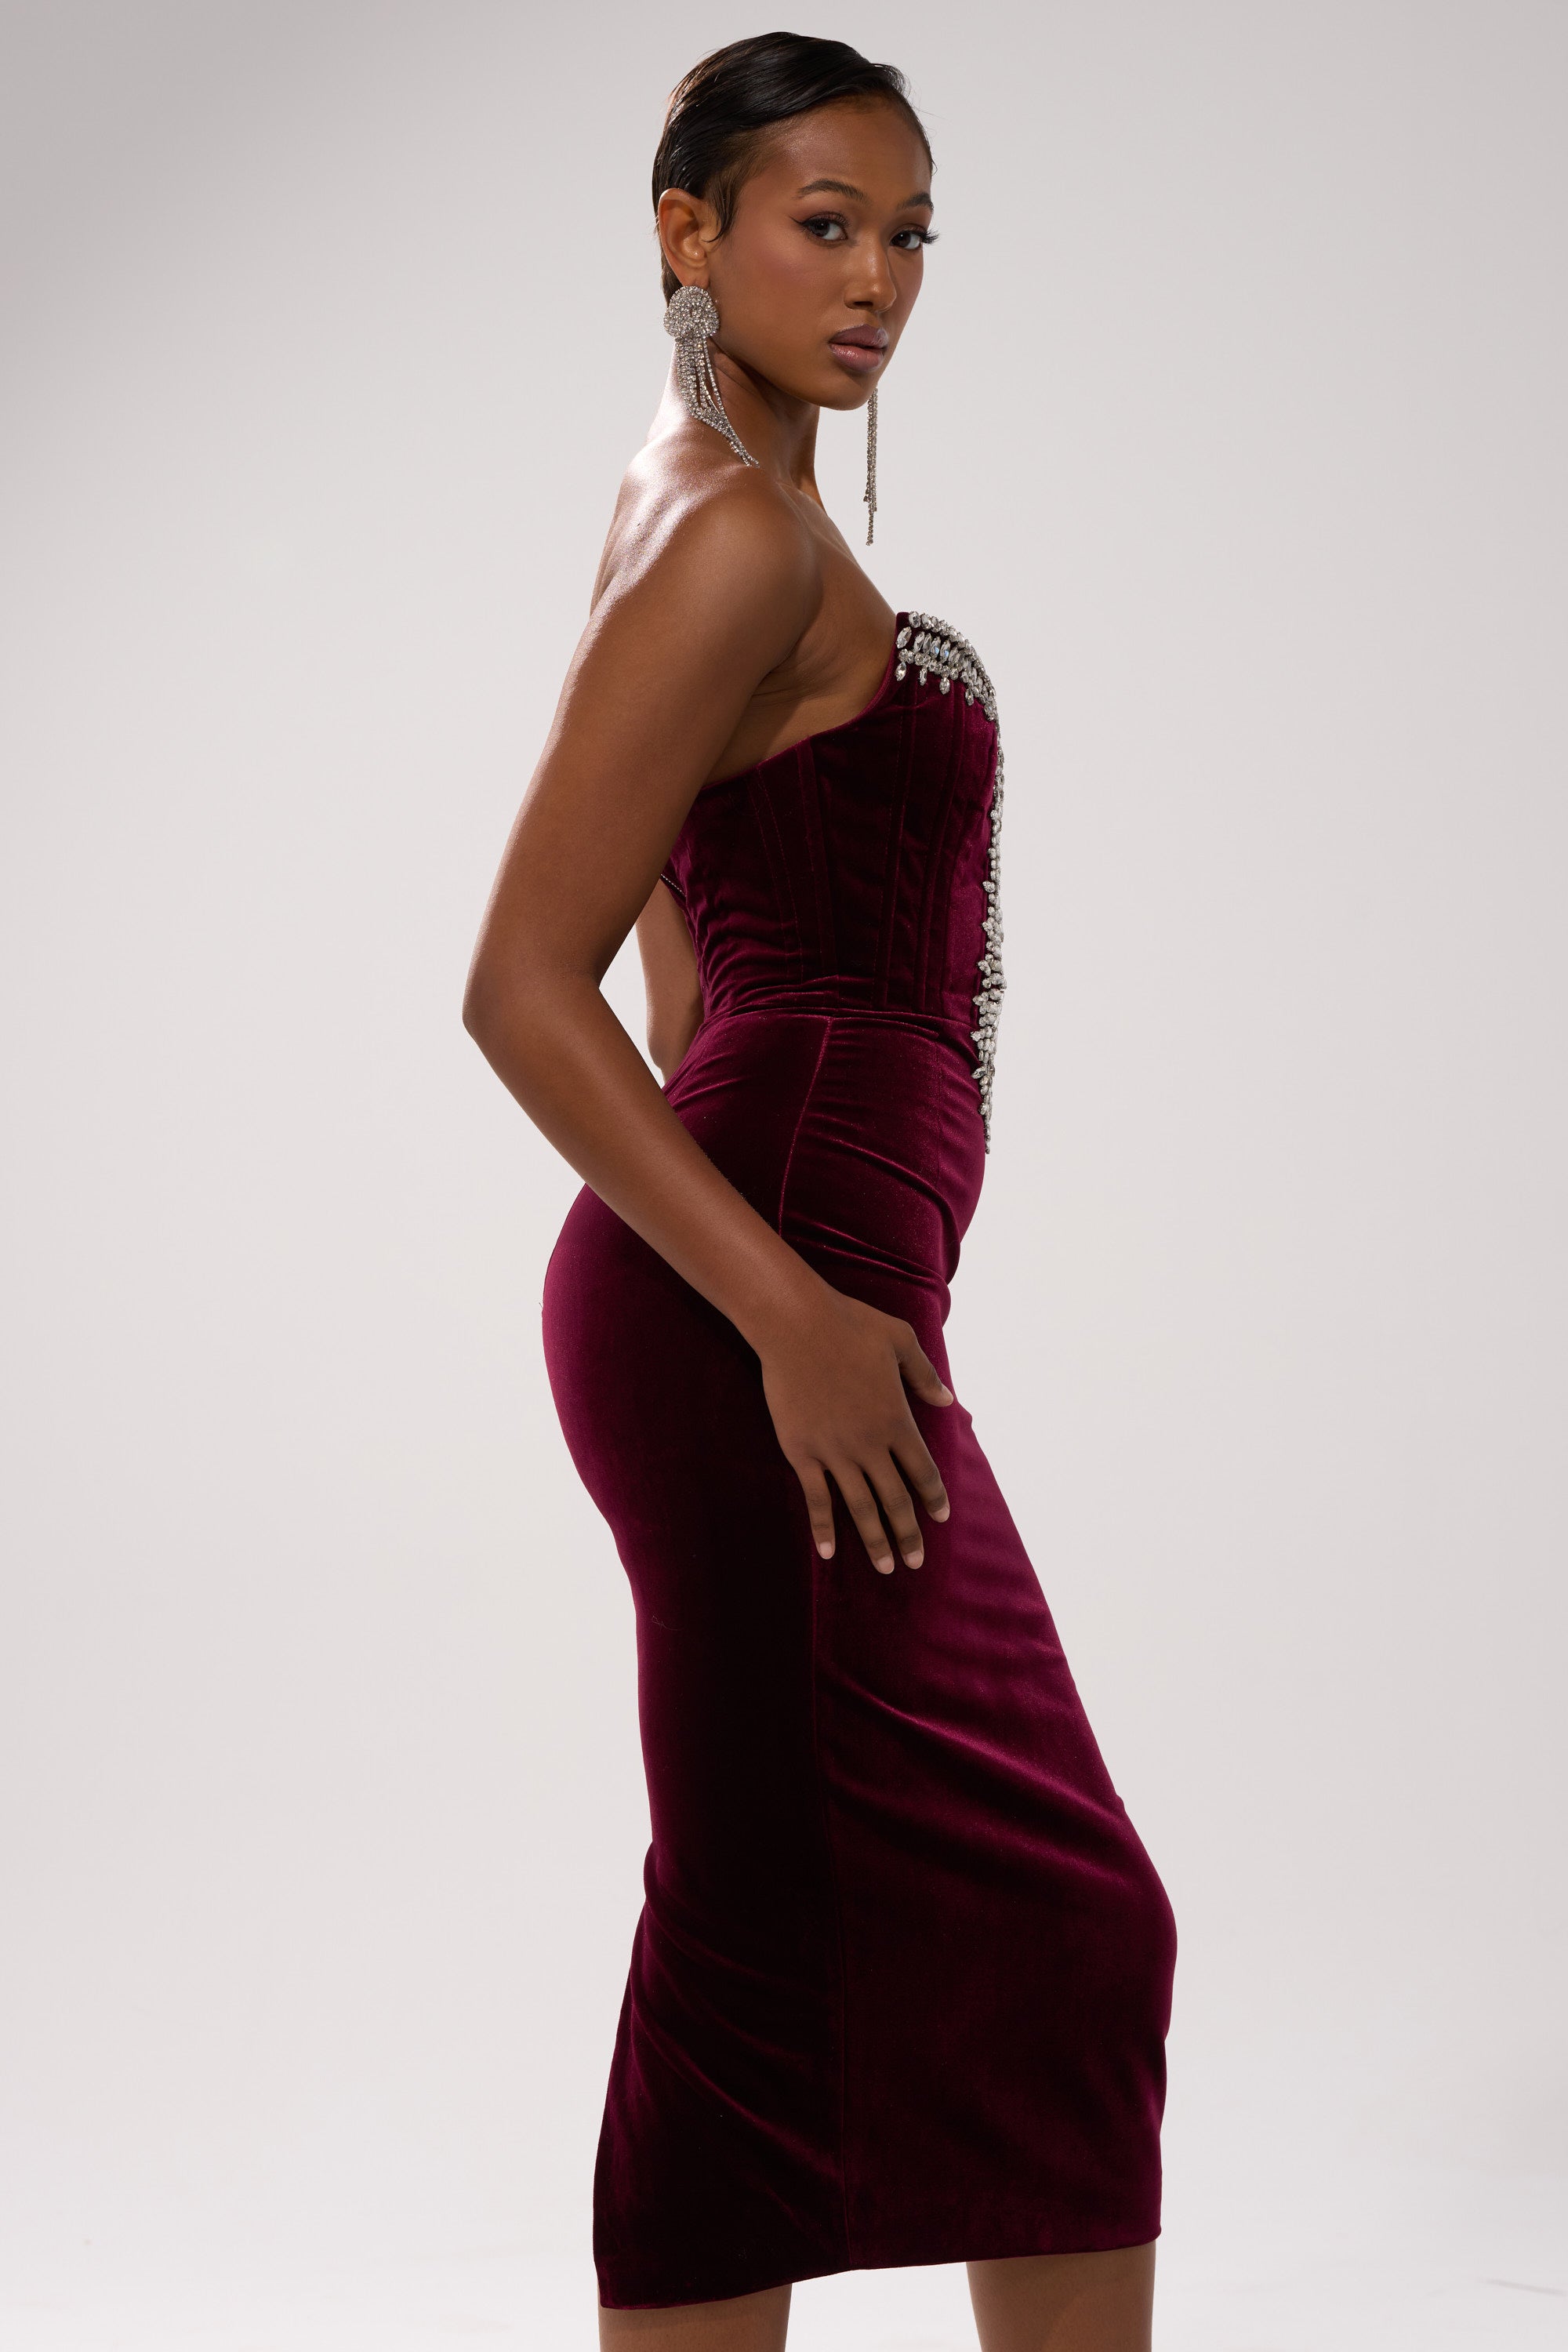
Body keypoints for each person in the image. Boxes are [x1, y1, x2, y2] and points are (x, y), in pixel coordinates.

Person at [463, 34, 1177, 2352]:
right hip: (762, 1298)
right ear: (691, 235)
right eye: (823, 222)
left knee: (827, 1905)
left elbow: (694, 961)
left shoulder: (694, 506)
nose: (878, 278)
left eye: (910, 236)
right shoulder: (741, 531)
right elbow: (520, 985)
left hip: (794, 1282)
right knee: (1035, 1918)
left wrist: (817, 1287)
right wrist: (779, 1314)